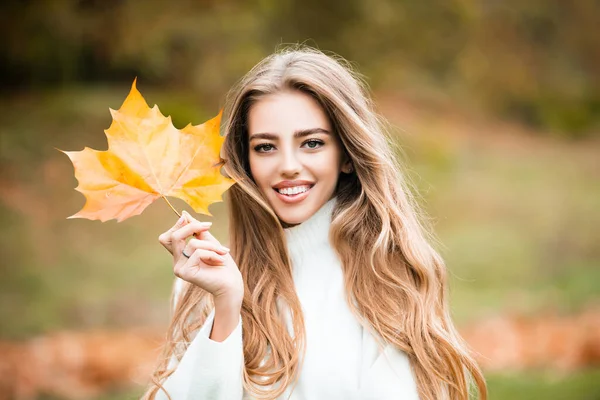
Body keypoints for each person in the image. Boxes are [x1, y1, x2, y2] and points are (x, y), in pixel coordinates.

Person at [141, 45, 488, 400]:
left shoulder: (388, 278)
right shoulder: (206, 280)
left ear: (347, 156)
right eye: (265, 147)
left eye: (311, 143)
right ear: (245, 161)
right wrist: (226, 306)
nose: (288, 165)